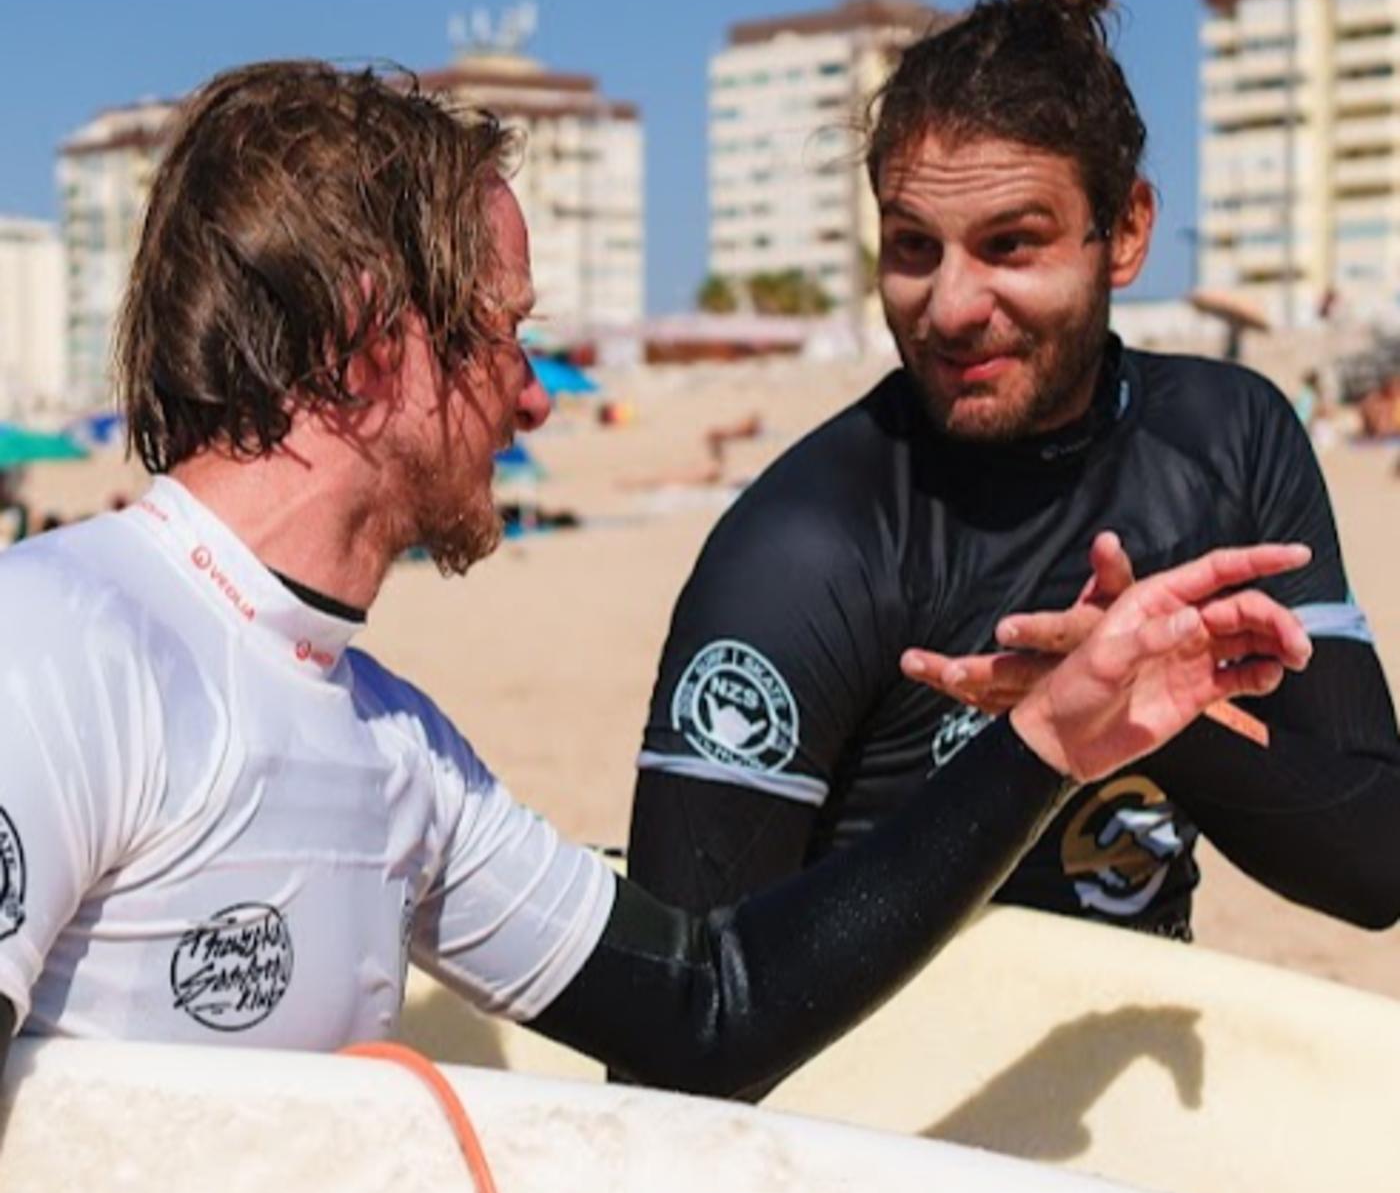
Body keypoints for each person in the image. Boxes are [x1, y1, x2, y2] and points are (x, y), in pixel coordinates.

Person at [0, 60, 1310, 1097]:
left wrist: (1045, 740)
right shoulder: (59, 649)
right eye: (506, 333)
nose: (531, 396)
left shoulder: (397, 749)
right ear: (367, 338)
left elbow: (708, 1010)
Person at [627, 0, 1400, 955]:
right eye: (912, 247)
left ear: (1122, 232)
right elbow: (681, 1008)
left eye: (1009, 245)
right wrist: (1055, 738)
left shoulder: (1230, 438)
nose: (949, 305)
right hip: (875, 1098)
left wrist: (1151, 713)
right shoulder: (803, 547)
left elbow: (1376, 857)